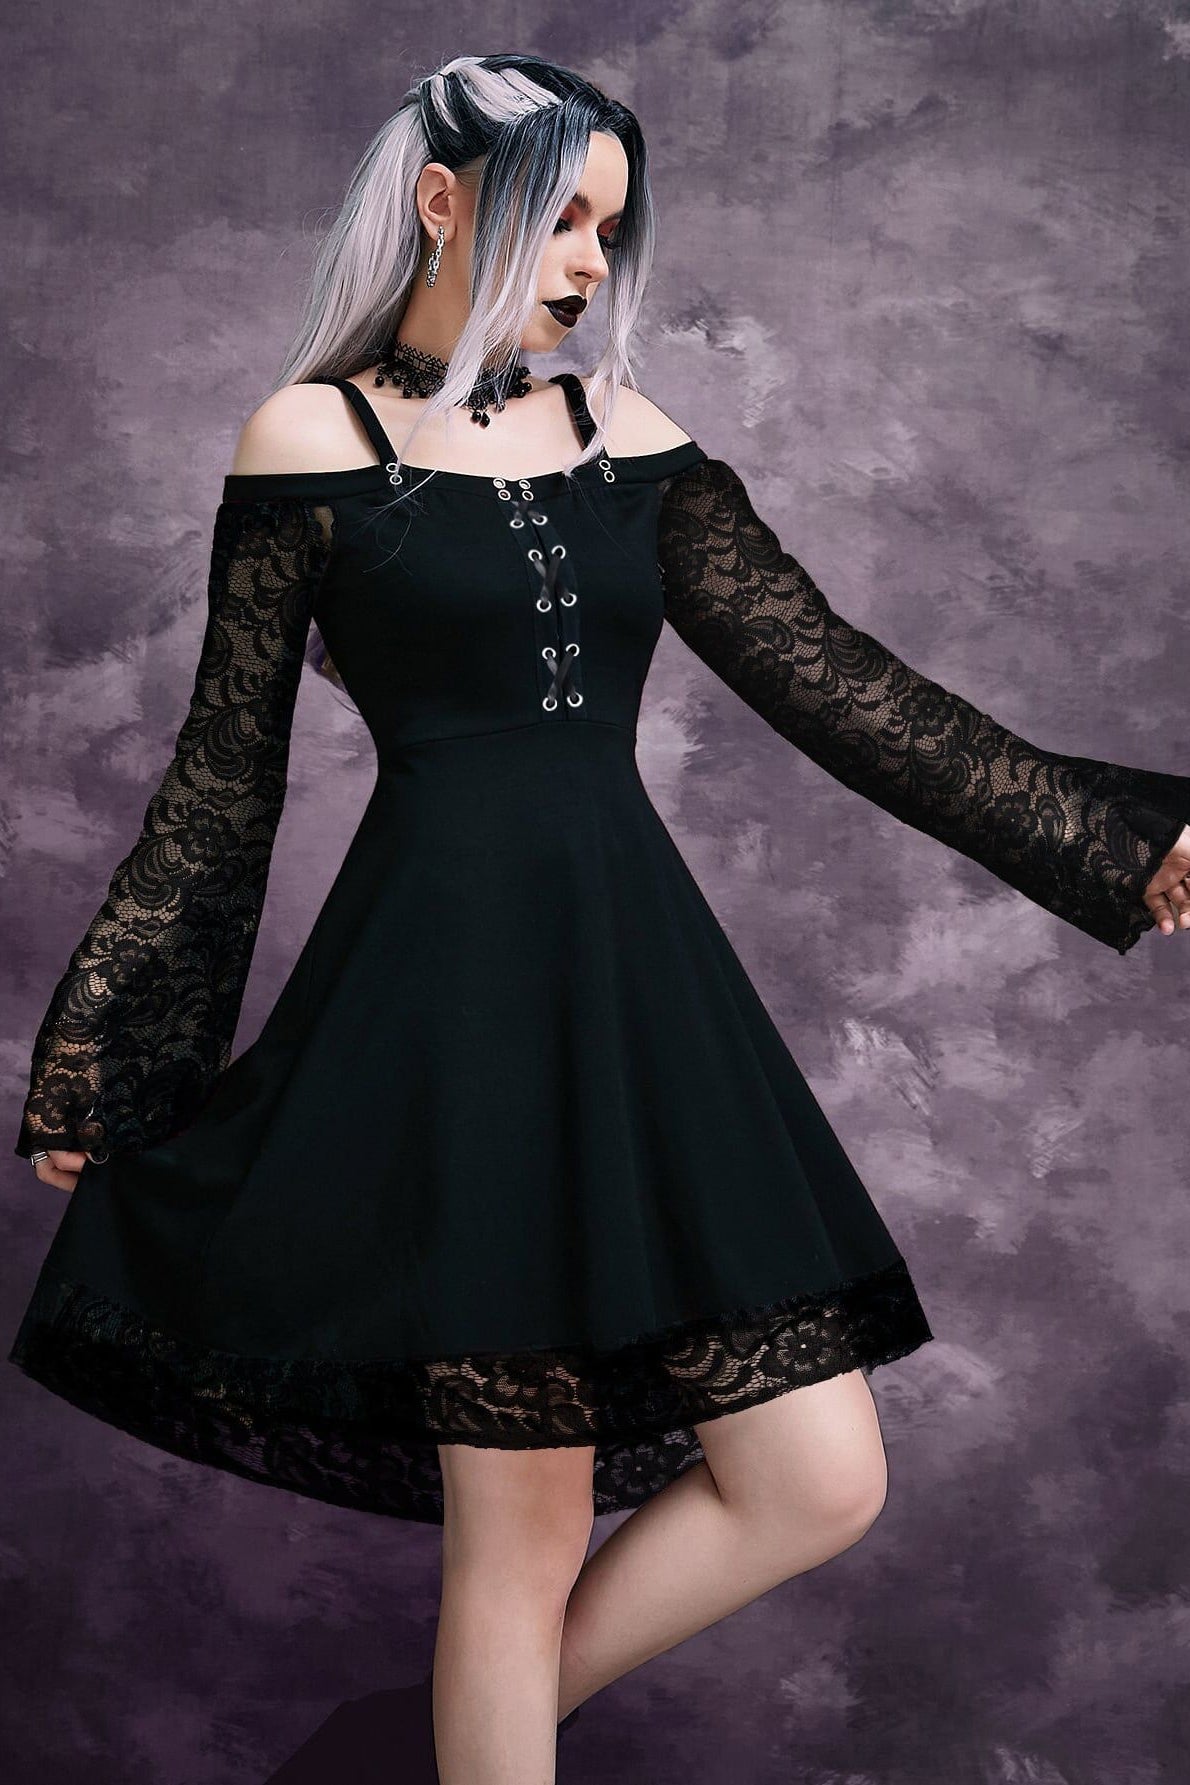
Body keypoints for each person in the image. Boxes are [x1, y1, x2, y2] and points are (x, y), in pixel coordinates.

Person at [10, 52, 1190, 1785]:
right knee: (525, 1529)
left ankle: (417, 1754)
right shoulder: (309, 442)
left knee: (817, 1476)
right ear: (441, 203)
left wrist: (1113, 838)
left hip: (636, 988)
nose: (586, 262)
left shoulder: (623, 434)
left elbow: (842, 688)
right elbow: (220, 781)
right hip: (446, 1005)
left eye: (606, 229)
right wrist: (111, 1050)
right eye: (557, 217)